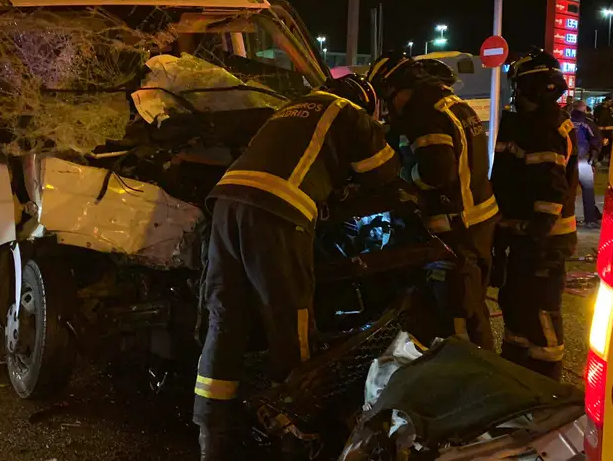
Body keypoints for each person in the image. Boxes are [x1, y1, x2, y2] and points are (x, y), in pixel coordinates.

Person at [195, 74, 402, 459]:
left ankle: (212, 431)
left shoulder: (288, 110)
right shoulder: (350, 113)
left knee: (225, 318)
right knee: (292, 320)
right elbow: (385, 173)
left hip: (225, 204)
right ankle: (295, 429)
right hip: (279, 211)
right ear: (365, 102)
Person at [365, 51, 499, 350]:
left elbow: (436, 171)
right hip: (477, 222)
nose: (389, 111)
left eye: (388, 102)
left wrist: (400, 175)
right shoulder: (451, 102)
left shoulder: (422, 113)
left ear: (396, 90)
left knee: (459, 317)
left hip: (454, 228)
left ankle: (472, 380)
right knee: (471, 306)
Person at [492, 49, 579, 381]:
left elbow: (550, 190)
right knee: (516, 302)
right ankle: (516, 368)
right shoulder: (525, 124)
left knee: (540, 308)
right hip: (523, 236)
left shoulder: (545, 128)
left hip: (543, 241)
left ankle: (545, 377)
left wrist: (533, 231)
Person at [571, 101, 602, 226]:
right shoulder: (587, 122)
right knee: (588, 190)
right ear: (583, 109)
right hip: (583, 160)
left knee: (568, 190)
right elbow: (596, 140)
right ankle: (590, 219)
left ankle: (567, 219)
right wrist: (594, 156)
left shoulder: (566, 121)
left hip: (566, 161)